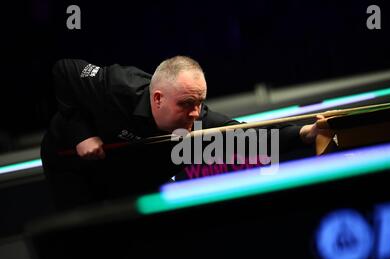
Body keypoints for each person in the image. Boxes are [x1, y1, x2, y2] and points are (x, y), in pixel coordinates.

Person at [41, 56, 326, 210]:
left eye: (199, 103)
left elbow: (248, 137)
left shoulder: (198, 122)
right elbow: (63, 70)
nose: (195, 113)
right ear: (158, 99)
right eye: (186, 104)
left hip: (128, 175)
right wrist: (81, 134)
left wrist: (304, 134)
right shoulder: (117, 87)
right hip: (71, 164)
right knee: (82, 239)